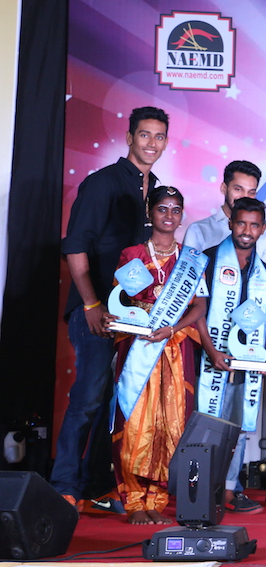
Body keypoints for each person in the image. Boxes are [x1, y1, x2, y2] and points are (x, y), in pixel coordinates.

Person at [53, 106, 169, 513]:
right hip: (97, 310)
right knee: (88, 398)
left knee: (118, 402)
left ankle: (98, 485)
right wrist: (90, 303)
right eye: (144, 135)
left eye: (159, 136)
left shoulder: (159, 193)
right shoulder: (102, 183)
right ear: (129, 137)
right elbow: (75, 247)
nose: (151, 143)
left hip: (136, 318)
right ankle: (63, 486)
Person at [106, 186, 207, 524]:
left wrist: (173, 327)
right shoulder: (132, 254)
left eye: (176, 210)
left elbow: (199, 306)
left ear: (182, 215)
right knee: (135, 419)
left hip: (176, 347)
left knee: (172, 421)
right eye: (162, 208)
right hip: (139, 346)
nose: (169, 215)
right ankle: (135, 500)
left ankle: (157, 499)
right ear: (150, 212)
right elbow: (119, 300)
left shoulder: (191, 259)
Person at [183, 160, 266, 515]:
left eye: (254, 225)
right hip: (210, 353)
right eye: (241, 223)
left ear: (261, 228)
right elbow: (196, 308)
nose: (247, 230)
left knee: (237, 425)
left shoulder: (264, 264)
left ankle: (228, 489)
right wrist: (210, 349)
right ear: (231, 223)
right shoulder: (206, 254)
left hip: (247, 356)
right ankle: (196, 491)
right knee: (207, 422)